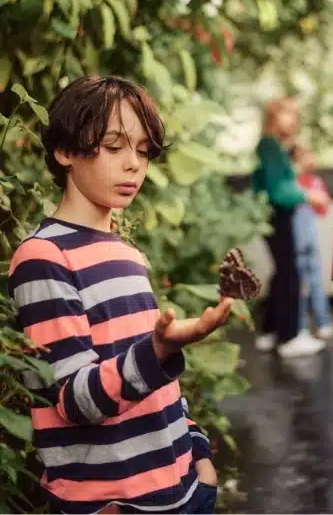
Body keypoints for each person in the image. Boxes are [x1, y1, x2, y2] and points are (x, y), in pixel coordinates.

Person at [8, 76, 234, 515]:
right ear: (65, 151)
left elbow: (157, 386)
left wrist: (198, 452)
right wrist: (160, 350)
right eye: (114, 147)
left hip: (185, 492)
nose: (134, 164)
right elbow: (74, 398)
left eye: (144, 150)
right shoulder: (44, 256)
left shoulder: (126, 253)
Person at [253, 98, 326, 357]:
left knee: (282, 272)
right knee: (290, 273)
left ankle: (271, 330)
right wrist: (309, 196)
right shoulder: (271, 147)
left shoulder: (271, 147)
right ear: (275, 116)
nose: (295, 121)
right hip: (278, 215)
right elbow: (279, 191)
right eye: (290, 115)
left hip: (272, 216)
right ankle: (290, 337)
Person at [291, 144, 333, 340]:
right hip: (296, 243)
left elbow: (323, 210)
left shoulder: (315, 182)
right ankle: (301, 327)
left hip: (310, 241)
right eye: (303, 156)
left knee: (316, 282)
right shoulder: (291, 184)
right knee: (298, 286)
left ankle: (324, 323)